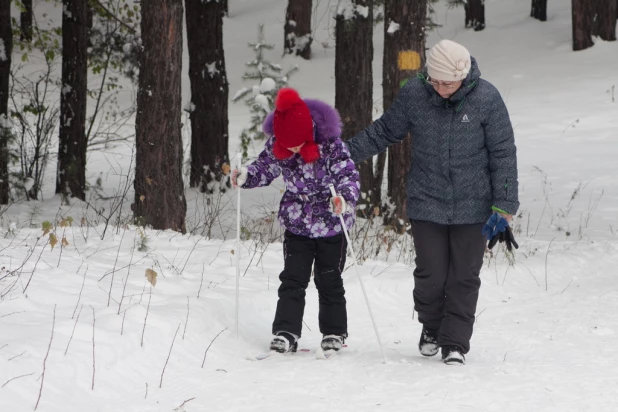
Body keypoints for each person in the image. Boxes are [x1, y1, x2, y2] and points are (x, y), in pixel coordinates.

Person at [345, 39, 519, 365]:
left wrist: (504, 203)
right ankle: (431, 327)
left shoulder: (487, 98)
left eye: (448, 83)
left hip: (474, 203)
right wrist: (343, 154)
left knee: (463, 276)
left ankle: (454, 343)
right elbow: (385, 131)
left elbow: (503, 153)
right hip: (427, 199)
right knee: (430, 275)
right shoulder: (415, 94)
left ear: (463, 76)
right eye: (435, 81)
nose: (440, 88)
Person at [232, 88, 360, 354]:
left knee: (329, 278)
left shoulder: (331, 146)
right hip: (297, 221)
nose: (291, 148)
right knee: (293, 278)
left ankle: (334, 332)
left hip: (332, 223)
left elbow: (348, 175)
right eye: (285, 144)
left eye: (295, 143)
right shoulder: (279, 145)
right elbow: (264, 167)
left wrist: (344, 199)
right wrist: (247, 176)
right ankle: (286, 331)